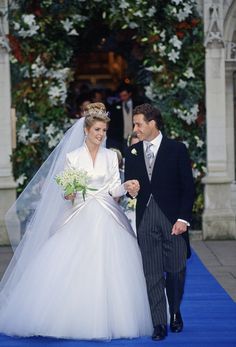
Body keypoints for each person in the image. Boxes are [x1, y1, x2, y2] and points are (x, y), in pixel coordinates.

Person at [0, 103, 152, 340]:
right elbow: (66, 191)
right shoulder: (72, 157)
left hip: (106, 213)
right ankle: (64, 317)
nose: (101, 135)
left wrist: (127, 185)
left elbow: (113, 189)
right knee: (68, 263)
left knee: (110, 266)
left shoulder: (111, 156)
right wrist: (68, 193)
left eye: (103, 131)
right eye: (97, 130)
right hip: (79, 213)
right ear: (86, 130)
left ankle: (108, 319)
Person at [124, 103, 195, 341]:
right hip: (146, 219)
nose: (135, 128)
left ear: (153, 123)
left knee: (176, 271)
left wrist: (183, 219)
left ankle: (175, 311)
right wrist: (130, 189)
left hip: (174, 220)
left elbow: (188, 188)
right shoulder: (132, 152)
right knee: (152, 273)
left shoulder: (177, 149)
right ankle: (159, 323)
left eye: (139, 124)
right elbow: (130, 186)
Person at [106, 83, 142, 154]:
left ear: (130, 94)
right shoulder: (115, 106)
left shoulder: (138, 105)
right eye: (121, 96)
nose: (122, 98)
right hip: (121, 138)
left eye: (124, 95)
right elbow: (112, 123)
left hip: (136, 137)